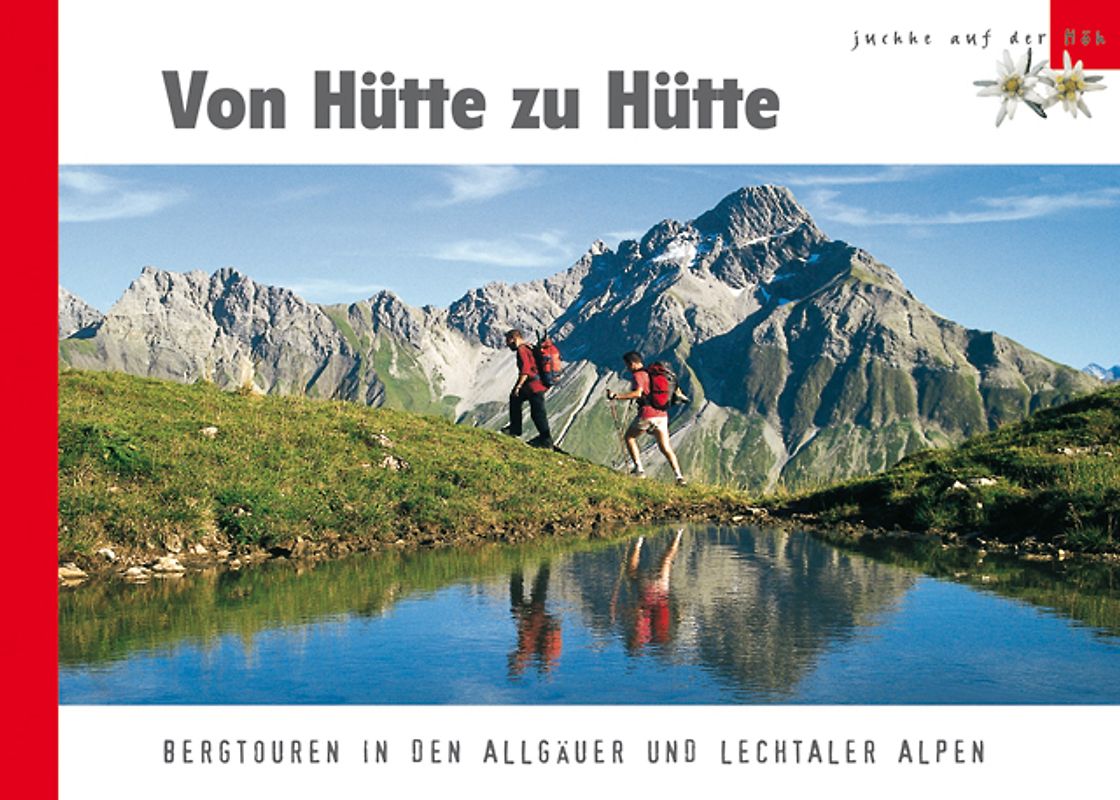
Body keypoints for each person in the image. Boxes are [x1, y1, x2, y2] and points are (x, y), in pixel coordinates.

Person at [606, 350, 686, 484]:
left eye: (627, 365)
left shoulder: (639, 375)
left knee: (629, 437)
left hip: (648, 414)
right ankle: (679, 477)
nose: (627, 368)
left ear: (632, 363)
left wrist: (617, 396)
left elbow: (638, 393)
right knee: (665, 447)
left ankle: (639, 470)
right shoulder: (651, 373)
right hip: (662, 415)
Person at [504, 328, 553, 448]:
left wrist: (518, 386)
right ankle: (515, 429)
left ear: (513, 339)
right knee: (516, 399)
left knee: (538, 413)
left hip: (534, 386)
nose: (507, 345)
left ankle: (546, 441)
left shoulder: (521, 349)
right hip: (535, 385)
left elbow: (525, 369)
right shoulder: (529, 347)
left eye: (508, 341)